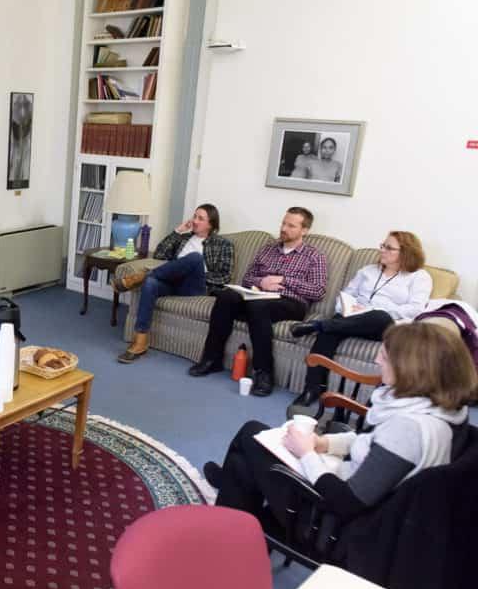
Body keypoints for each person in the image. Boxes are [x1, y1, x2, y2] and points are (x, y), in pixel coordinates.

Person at [203, 323, 475, 526]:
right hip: (355, 491)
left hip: (337, 522)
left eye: (384, 356)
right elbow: (374, 444)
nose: (377, 360)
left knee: (249, 440)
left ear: (412, 368)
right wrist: (324, 443)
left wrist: (307, 454)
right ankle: (234, 502)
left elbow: (347, 501)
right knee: (244, 463)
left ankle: (230, 526)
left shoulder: (408, 431)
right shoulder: (438, 409)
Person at [188, 207, 327, 396]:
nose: (284, 228)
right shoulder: (268, 249)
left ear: (304, 230)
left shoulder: (314, 256)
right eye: (283, 223)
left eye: (291, 225)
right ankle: (212, 359)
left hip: (290, 303)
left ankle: (264, 373)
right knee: (226, 295)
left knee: (257, 306)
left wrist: (283, 280)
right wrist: (261, 282)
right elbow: (248, 278)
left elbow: (318, 291)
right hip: (257, 296)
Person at [289, 231, 432, 413]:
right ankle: (312, 388)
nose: (382, 250)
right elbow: (346, 295)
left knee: (379, 316)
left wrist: (371, 310)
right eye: (382, 245)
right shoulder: (367, 271)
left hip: (385, 325)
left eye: (389, 248)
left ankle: (317, 326)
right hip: (354, 319)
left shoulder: (418, 277)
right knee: (331, 330)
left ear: (405, 253)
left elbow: (415, 308)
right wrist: (348, 308)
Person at [115, 204, 234, 363]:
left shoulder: (223, 244)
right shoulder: (184, 239)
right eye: (194, 216)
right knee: (150, 283)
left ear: (211, 224)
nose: (195, 221)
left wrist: (198, 273)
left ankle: (138, 278)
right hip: (172, 281)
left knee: (195, 258)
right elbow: (159, 254)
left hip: (196, 286)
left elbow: (225, 276)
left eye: (200, 218)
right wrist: (178, 231)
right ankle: (140, 341)